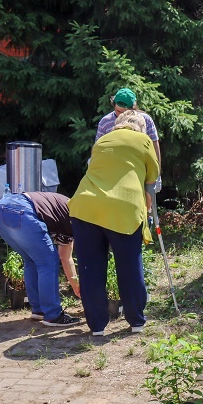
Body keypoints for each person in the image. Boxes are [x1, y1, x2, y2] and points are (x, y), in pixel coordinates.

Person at [70, 110, 160, 337]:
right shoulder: (144, 140)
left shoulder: (101, 141)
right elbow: (153, 178)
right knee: (129, 265)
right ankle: (136, 321)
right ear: (140, 127)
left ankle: (97, 327)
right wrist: (148, 210)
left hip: (85, 207)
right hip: (123, 209)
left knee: (90, 269)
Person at [0, 191, 81, 326]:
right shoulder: (77, 217)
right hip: (22, 210)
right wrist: (78, 286)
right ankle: (53, 315)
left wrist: (76, 286)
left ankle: (39, 310)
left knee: (31, 260)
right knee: (48, 262)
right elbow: (65, 257)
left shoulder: (70, 210)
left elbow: (65, 257)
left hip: (0, 209)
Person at [96, 88, 162, 165]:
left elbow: (154, 146)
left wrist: (157, 171)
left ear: (132, 108)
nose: (121, 115)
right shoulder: (105, 122)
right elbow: (98, 147)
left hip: (139, 165)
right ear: (114, 105)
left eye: (125, 112)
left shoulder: (146, 120)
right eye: (118, 111)